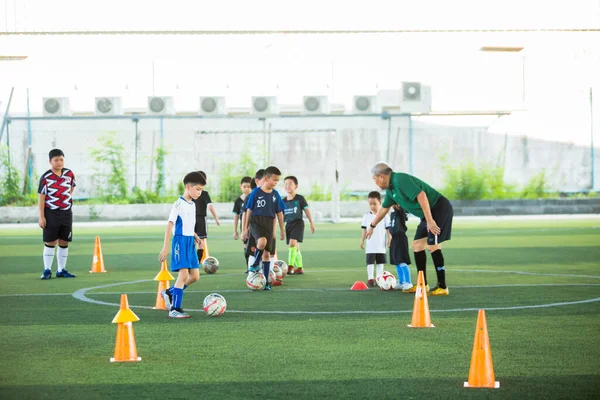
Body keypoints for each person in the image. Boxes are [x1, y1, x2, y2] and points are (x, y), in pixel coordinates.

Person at [366, 162, 453, 296]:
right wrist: (372, 226)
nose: (375, 183)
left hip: (438, 208)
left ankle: (442, 286)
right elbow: (384, 209)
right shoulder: (391, 190)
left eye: (375, 179)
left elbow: (421, 195)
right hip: (428, 214)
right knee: (417, 245)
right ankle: (422, 285)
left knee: (433, 246)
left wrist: (430, 220)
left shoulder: (399, 179)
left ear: (382, 177)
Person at [159, 171, 206, 318]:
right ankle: (175, 309)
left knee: (195, 276)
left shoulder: (192, 204)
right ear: (188, 186)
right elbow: (170, 225)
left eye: (201, 190)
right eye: (198, 189)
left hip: (189, 242)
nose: (200, 192)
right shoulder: (178, 204)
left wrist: (196, 236)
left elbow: (188, 225)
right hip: (179, 241)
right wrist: (166, 246)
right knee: (184, 274)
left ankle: (169, 292)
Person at [242, 166, 285, 290]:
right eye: (274, 180)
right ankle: (255, 264)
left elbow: (280, 213)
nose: (276, 183)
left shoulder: (275, 194)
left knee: (266, 254)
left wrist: (282, 230)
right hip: (256, 221)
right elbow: (248, 210)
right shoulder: (255, 192)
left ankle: (265, 282)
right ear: (266, 179)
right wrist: (245, 228)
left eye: (278, 180)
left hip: (269, 223)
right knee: (262, 241)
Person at [38, 149, 77, 279]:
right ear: (50, 161)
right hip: (51, 213)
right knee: (50, 241)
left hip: (66, 213)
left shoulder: (69, 174)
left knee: (64, 241)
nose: (59, 162)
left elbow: (71, 188)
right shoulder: (46, 177)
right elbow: (41, 197)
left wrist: (64, 201)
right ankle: (47, 270)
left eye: (61, 159)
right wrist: (42, 216)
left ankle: (61, 270)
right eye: (56, 160)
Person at [283, 175, 315, 275]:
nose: (288, 186)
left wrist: (311, 223)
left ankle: (290, 266)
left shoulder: (300, 198)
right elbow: (280, 215)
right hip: (288, 225)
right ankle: (300, 268)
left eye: (290, 184)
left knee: (292, 243)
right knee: (295, 246)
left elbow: (306, 210)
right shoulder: (283, 201)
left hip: (298, 223)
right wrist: (281, 227)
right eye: (286, 184)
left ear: (296, 186)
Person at [360, 191, 391, 288]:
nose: (372, 206)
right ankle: (370, 279)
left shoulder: (385, 216)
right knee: (370, 262)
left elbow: (388, 229)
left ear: (380, 203)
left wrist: (389, 238)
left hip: (381, 244)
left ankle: (379, 278)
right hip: (370, 244)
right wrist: (362, 241)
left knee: (380, 262)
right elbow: (364, 229)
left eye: (375, 204)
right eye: (370, 204)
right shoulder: (366, 216)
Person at [193, 171, 220, 265]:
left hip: (190, 219)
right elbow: (210, 206)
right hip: (201, 219)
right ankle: (196, 263)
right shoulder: (204, 194)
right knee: (201, 241)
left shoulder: (191, 193)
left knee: (191, 241)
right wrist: (216, 218)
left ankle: (190, 262)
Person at [389, 204, 413, 291]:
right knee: (396, 261)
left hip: (400, 239)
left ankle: (408, 282)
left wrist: (399, 204)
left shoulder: (400, 213)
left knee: (401, 260)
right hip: (394, 239)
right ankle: (401, 282)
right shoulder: (393, 214)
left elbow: (401, 209)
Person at [233, 176, 253, 266]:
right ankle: (248, 266)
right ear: (241, 187)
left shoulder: (254, 198)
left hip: (253, 225)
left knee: (255, 245)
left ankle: (255, 265)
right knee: (246, 245)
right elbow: (236, 216)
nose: (246, 189)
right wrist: (235, 231)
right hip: (244, 225)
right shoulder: (238, 201)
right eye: (244, 187)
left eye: (249, 187)